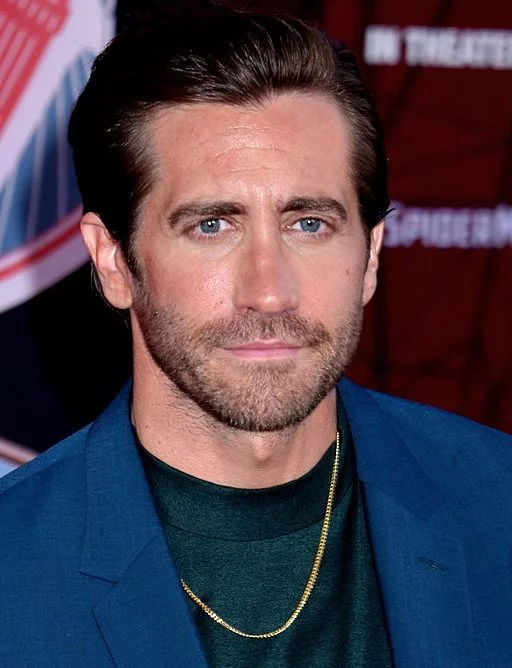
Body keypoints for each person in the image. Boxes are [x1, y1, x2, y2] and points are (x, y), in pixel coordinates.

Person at [0, 4, 511, 667]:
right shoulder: (15, 568)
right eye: (212, 226)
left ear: (371, 255)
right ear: (114, 262)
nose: (269, 291)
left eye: (309, 224)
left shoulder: (497, 506)